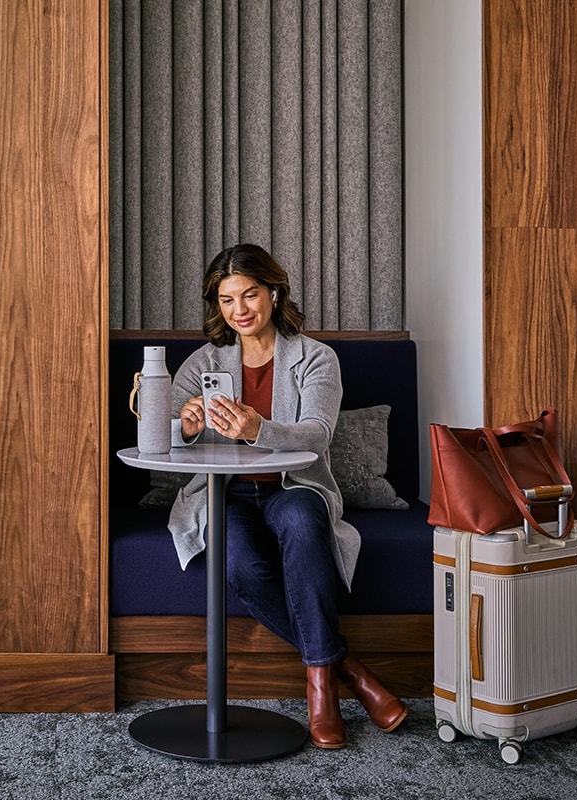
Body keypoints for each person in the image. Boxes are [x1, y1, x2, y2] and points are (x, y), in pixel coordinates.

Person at [168, 243, 408, 750]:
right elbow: (163, 425)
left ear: (274, 293)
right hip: (226, 493)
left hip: (293, 486)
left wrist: (258, 427)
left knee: (302, 523)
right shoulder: (205, 361)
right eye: (227, 300)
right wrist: (185, 425)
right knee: (243, 567)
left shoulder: (316, 358)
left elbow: (317, 433)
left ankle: (319, 693)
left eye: (250, 295)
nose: (240, 311)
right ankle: (353, 673)